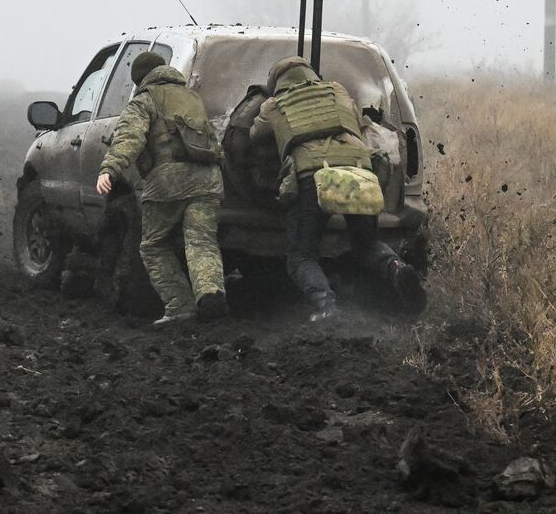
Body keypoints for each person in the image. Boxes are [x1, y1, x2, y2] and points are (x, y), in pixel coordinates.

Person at [248, 56, 425, 321]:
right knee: (366, 244)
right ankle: (397, 268)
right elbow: (357, 119)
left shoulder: (274, 105)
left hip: (312, 176)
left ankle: (326, 306)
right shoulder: (338, 90)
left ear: (276, 81)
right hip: (359, 172)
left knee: (301, 256)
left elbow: (254, 135)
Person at [95, 51, 228, 327]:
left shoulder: (144, 100)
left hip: (169, 181)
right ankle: (210, 293)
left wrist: (110, 169)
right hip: (208, 179)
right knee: (201, 240)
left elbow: (129, 137)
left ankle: (180, 306)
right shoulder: (192, 97)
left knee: (153, 245)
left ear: (140, 79)